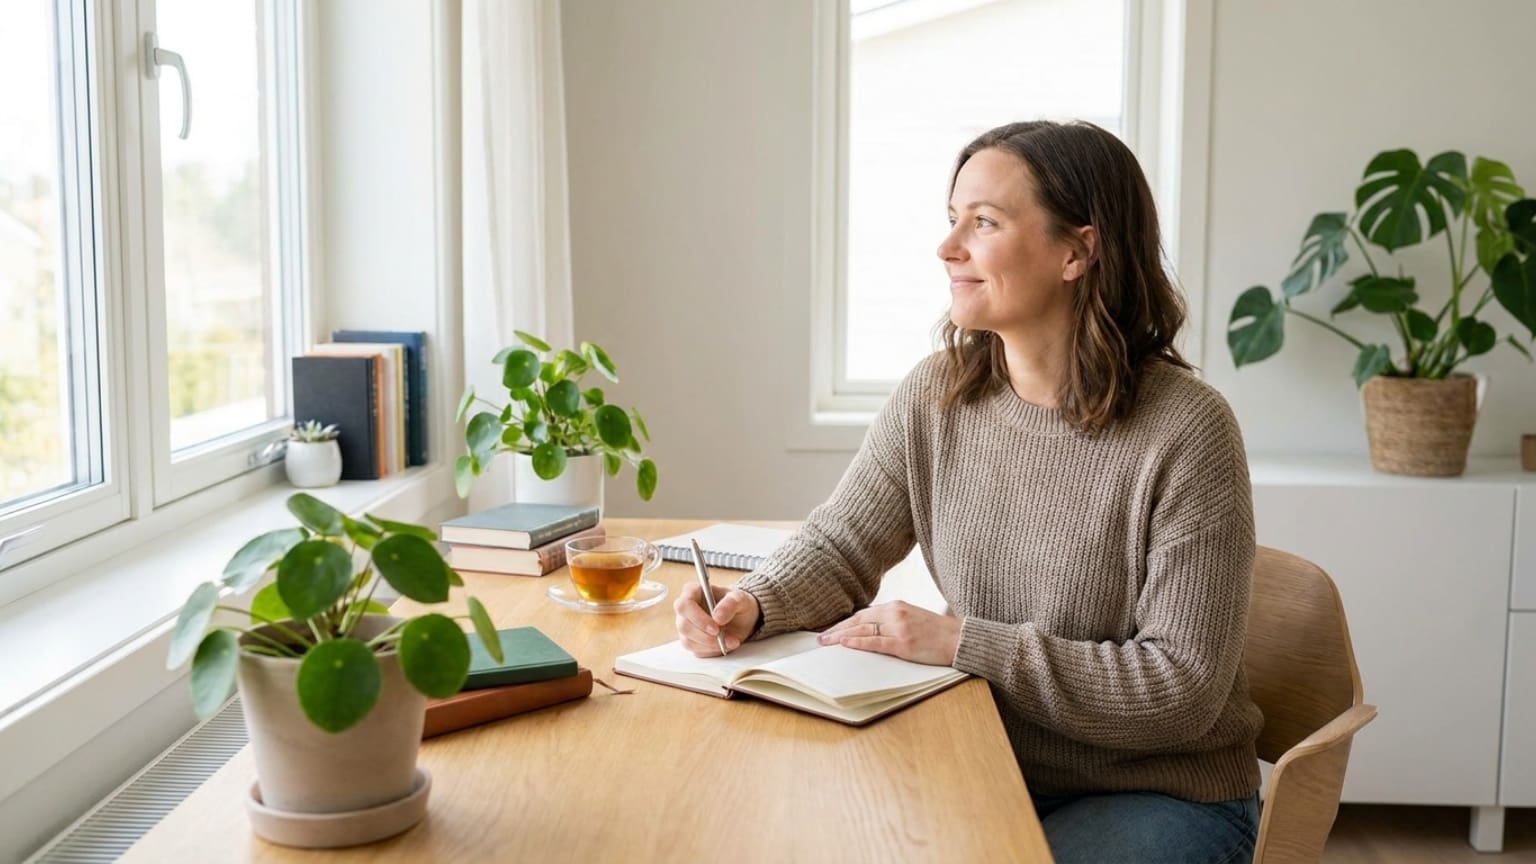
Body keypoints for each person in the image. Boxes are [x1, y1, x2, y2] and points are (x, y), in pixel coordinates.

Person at [674, 119, 1263, 864]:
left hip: (1154, 794)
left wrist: (963, 644)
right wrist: (751, 604)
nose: (948, 248)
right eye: (952, 220)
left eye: (982, 223)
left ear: (1077, 251)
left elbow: (1181, 688)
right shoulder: (939, 395)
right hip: (980, 755)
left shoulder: (1187, 430)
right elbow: (843, 543)